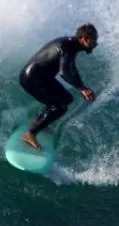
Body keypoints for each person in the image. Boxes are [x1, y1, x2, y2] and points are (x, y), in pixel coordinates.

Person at [18, 23, 97, 151]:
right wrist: (82, 88)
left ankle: (39, 121)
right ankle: (30, 134)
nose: (95, 44)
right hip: (32, 78)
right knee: (59, 105)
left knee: (66, 99)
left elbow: (71, 67)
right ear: (83, 38)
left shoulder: (72, 45)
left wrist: (82, 86)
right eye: (93, 40)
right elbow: (64, 71)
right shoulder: (67, 47)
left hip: (40, 77)